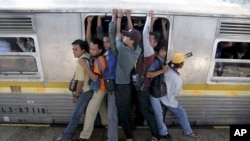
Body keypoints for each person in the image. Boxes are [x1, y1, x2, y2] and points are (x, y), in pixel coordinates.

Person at [132, 10, 163, 141]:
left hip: (143, 86)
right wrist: (151, 22)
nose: (147, 41)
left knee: (146, 110)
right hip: (140, 84)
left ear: (155, 44)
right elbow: (147, 35)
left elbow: (145, 34)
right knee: (139, 107)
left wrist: (149, 18)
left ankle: (156, 135)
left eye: (150, 40)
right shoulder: (149, 51)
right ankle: (135, 124)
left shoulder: (149, 51)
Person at [56, 39, 93, 141]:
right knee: (87, 113)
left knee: (75, 116)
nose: (74, 52)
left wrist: (76, 95)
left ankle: (66, 136)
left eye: (76, 50)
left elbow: (80, 82)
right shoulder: (88, 56)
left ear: (83, 50)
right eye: (73, 50)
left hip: (84, 92)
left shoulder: (81, 62)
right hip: (90, 90)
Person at [113, 9, 142, 141]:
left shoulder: (123, 50)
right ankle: (131, 128)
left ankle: (129, 137)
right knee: (128, 108)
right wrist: (128, 17)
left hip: (122, 85)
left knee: (123, 110)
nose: (124, 37)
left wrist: (119, 19)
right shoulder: (137, 49)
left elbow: (117, 36)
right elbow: (133, 34)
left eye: (127, 37)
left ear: (131, 41)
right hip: (128, 84)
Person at [160, 53, 199, 138]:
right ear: (181, 64)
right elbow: (176, 93)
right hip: (169, 100)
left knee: (160, 116)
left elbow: (172, 62)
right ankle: (188, 131)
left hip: (160, 97)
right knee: (182, 113)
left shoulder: (166, 69)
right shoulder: (178, 79)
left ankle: (161, 131)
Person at [78, 38, 107, 141]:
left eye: (94, 49)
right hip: (100, 87)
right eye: (90, 48)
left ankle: (84, 136)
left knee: (90, 110)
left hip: (101, 89)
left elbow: (95, 78)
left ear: (100, 50)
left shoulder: (100, 61)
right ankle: (106, 123)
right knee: (101, 106)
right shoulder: (95, 57)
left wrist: (85, 66)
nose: (91, 51)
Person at [147, 40, 170, 139]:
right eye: (162, 51)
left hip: (158, 92)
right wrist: (162, 70)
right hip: (154, 92)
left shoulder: (162, 61)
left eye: (165, 51)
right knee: (159, 113)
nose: (163, 53)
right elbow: (148, 74)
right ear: (157, 52)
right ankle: (162, 132)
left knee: (157, 112)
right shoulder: (156, 61)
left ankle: (158, 130)